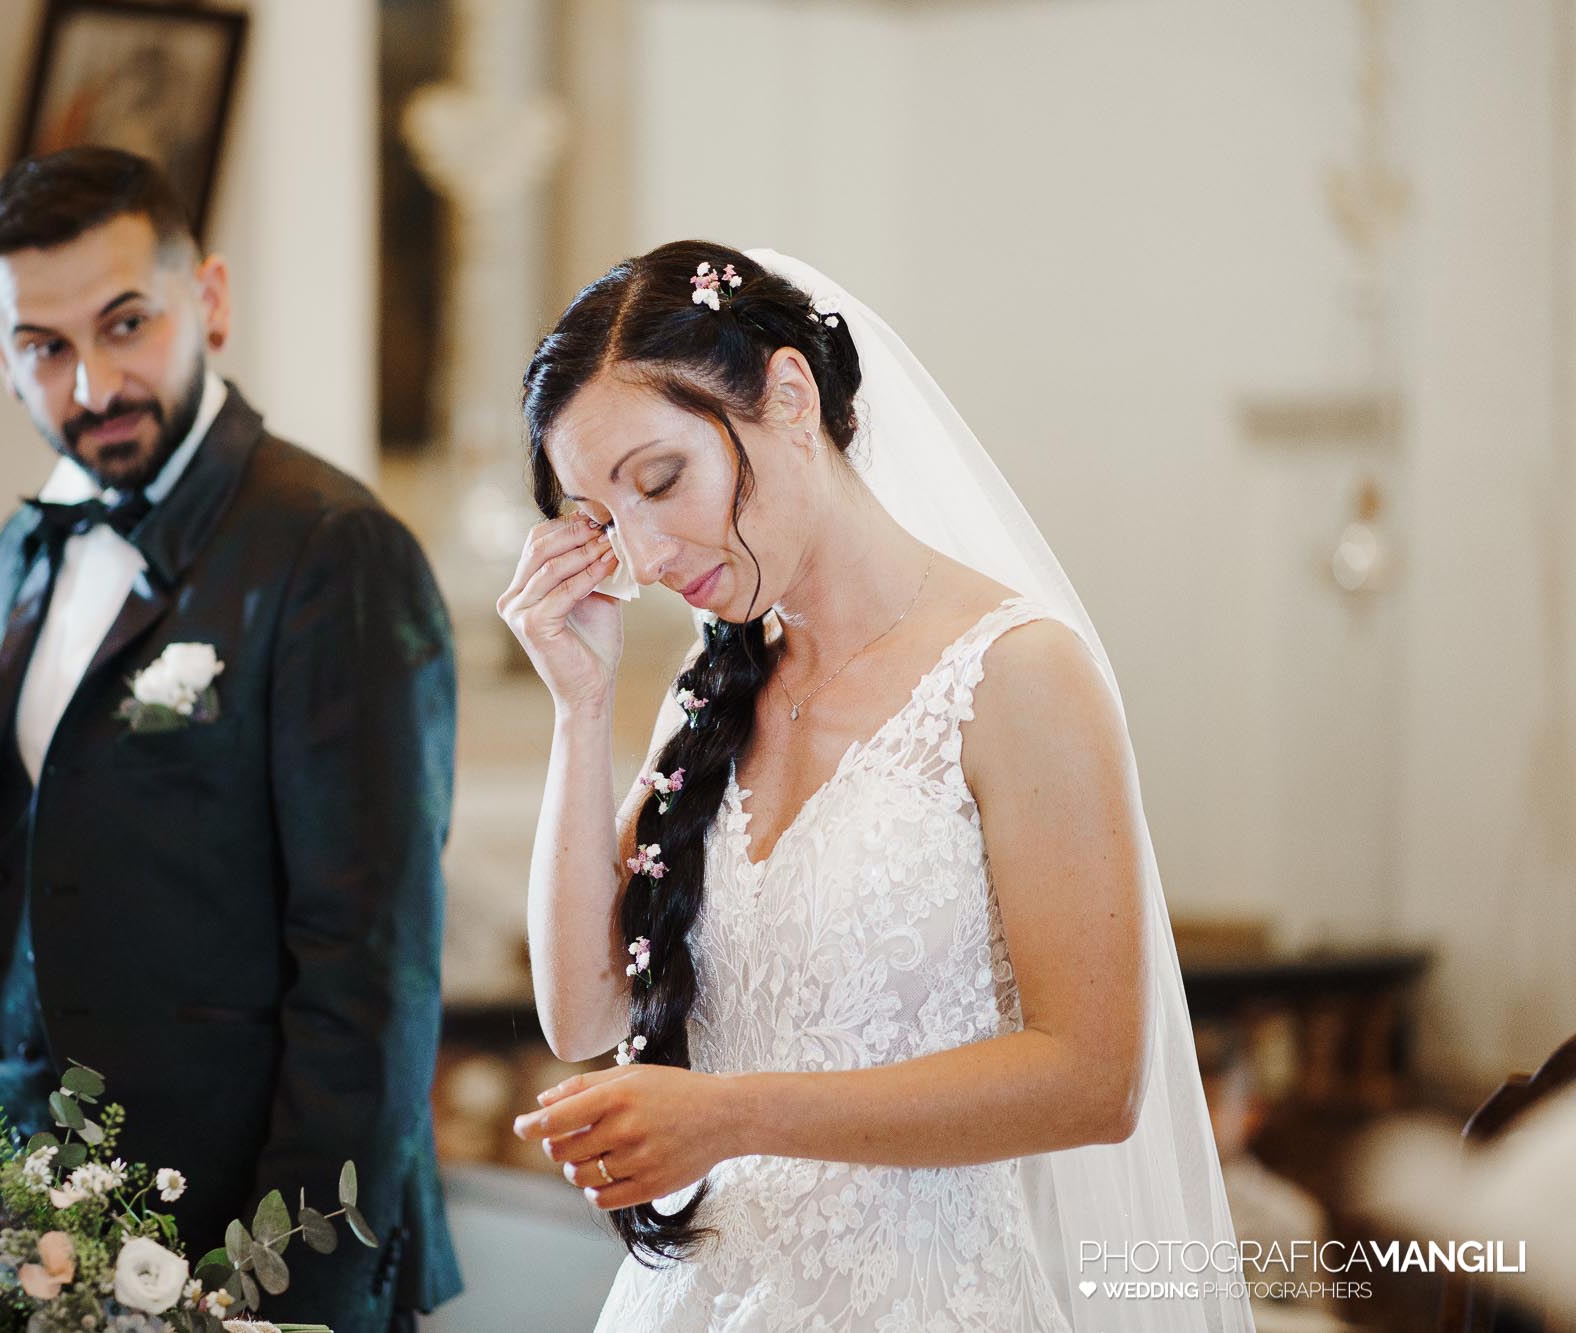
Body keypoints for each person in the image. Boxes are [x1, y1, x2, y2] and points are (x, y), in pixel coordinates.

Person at [500, 242, 1254, 1331]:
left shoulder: (1015, 674)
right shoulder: (714, 686)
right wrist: (577, 707)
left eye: (662, 481)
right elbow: (580, 1011)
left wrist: (729, 1116)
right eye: (604, 518)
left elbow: (1094, 1079)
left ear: (789, 396)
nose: (647, 552)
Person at [0, 147, 461, 1333]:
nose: (95, 382)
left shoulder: (333, 549)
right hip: (16, 1233)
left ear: (206, 299)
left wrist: (289, 1283)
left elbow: (371, 971)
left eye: (126, 324)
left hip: (244, 1246)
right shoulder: (27, 546)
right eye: (44, 346)